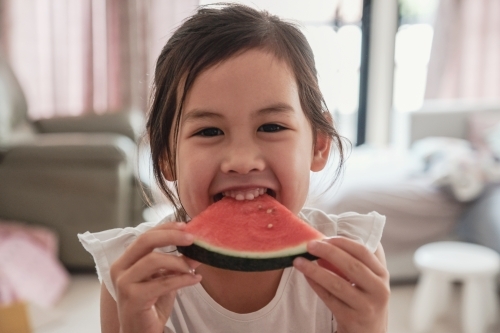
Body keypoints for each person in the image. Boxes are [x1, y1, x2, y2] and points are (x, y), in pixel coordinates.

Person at [79, 3, 389, 333]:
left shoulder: (353, 262)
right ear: (166, 155)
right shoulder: (131, 276)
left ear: (319, 144)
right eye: (209, 131)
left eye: (271, 127)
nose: (242, 162)